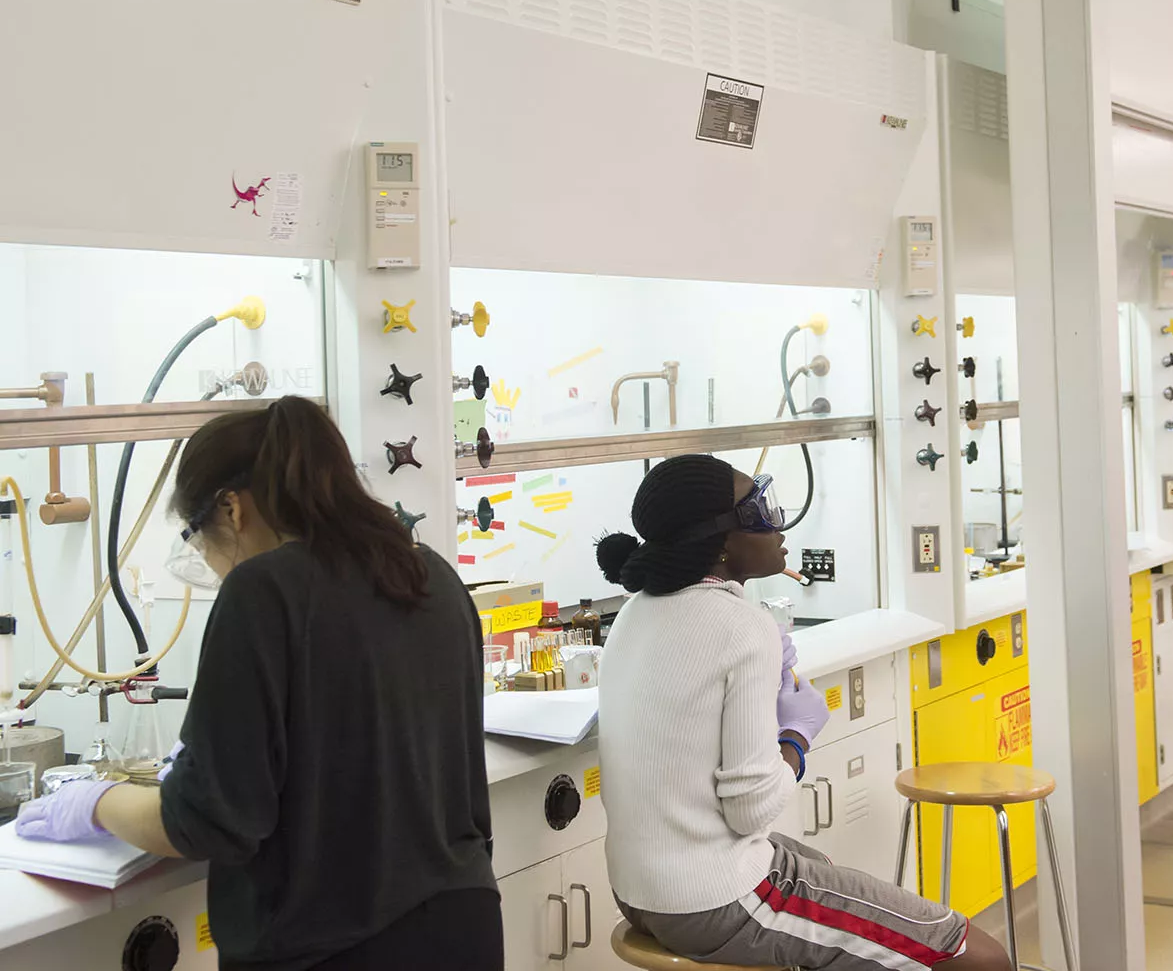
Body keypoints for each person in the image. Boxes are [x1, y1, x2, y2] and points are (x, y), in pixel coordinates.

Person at [16, 396, 501, 971]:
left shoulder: (262, 592)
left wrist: (96, 803)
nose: (210, 562)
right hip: (464, 927)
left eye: (198, 535)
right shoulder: (431, 575)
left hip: (336, 948)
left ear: (232, 509)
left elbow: (204, 822)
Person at [595, 455, 1012, 971]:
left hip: (638, 893)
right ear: (722, 542)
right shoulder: (742, 625)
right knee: (978, 957)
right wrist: (796, 735)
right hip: (714, 902)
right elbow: (749, 809)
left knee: (821, 867)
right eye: (759, 512)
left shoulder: (633, 614)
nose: (778, 525)